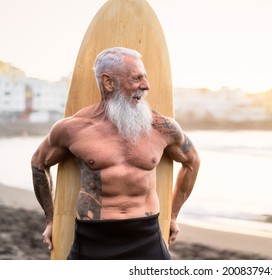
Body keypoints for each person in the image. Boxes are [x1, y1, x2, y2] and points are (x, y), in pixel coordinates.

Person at [31, 47, 200, 260]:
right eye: (137, 78)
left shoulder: (161, 127)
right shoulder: (73, 129)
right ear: (108, 82)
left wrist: (173, 216)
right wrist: (51, 220)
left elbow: (192, 161)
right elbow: (39, 164)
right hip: (93, 238)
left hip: (146, 235)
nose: (146, 85)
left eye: (145, 77)